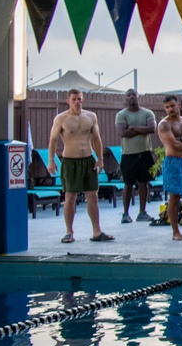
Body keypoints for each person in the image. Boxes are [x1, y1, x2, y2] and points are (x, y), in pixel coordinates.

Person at [47, 88, 113, 244]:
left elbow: (97, 139)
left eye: (79, 99)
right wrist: (51, 160)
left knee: (93, 196)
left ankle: (97, 231)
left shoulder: (90, 117)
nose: (77, 102)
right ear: (68, 101)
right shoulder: (61, 119)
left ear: (83, 100)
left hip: (88, 160)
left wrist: (100, 158)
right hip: (70, 161)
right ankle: (69, 232)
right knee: (70, 197)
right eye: (74, 99)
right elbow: (53, 140)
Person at [156, 94, 182, 241]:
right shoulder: (164, 124)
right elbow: (173, 145)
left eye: (172, 106)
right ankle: (175, 231)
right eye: (167, 107)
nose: (170, 109)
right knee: (174, 197)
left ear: (178, 105)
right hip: (173, 162)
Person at [114, 88, 157, 223]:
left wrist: (132, 127)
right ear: (126, 98)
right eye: (129, 95)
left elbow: (151, 129)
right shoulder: (121, 114)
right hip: (129, 154)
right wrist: (141, 129)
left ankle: (142, 212)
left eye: (134, 95)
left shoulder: (147, 113)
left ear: (138, 97)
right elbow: (123, 133)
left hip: (145, 152)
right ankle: (125, 214)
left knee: (144, 183)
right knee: (128, 184)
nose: (132, 97)